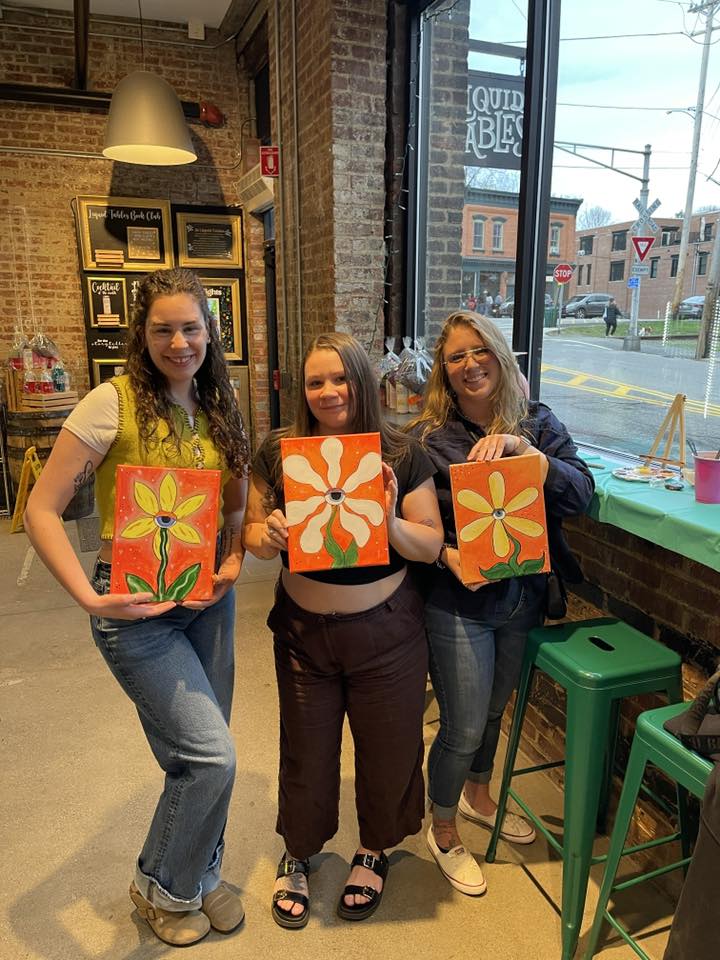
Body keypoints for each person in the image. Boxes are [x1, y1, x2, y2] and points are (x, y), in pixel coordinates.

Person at [24, 268, 249, 947]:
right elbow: (40, 509)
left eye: (191, 328)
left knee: (205, 754)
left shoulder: (220, 403)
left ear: (210, 331)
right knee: (211, 757)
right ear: (142, 336)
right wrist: (90, 596)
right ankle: (161, 887)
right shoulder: (112, 404)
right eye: (163, 330)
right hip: (135, 610)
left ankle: (200, 876)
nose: (179, 343)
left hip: (206, 601)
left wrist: (233, 560)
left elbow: (235, 510)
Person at [242, 332, 443, 927]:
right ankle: (299, 850)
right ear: (302, 390)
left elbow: (430, 544)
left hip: (387, 635)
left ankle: (373, 850)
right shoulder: (279, 451)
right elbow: (250, 535)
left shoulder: (400, 452)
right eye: (315, 382)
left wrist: (389, 522)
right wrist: (267, 535)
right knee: (305, 751)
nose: (329, 392)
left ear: (363, 381)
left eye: (341, 378)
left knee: (388, 749)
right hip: (303, 635)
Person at [408, 310, 594, 896]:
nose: (470, 364)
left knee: (493, 713)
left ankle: (478, 795)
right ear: (444, 370)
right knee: (462, 725)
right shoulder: (428, 438)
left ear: (500, 353)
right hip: (457, 602)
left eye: (479, 350)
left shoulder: (537, 423)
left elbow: (581, 494)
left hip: (524, 596)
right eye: (455, 357)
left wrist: (531, 458)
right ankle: (442, 826)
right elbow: (411, 530)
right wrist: (448, 557)